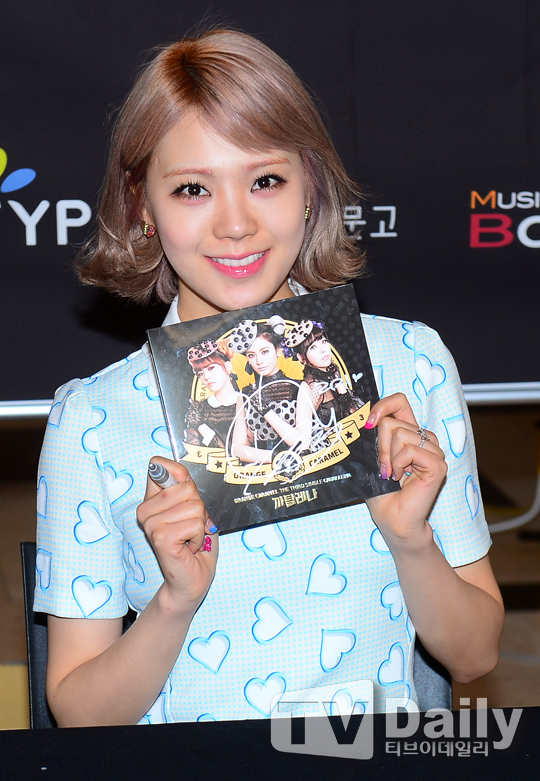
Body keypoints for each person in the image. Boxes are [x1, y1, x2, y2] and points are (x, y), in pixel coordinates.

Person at [34, 28, 503, 727]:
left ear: (309, 187)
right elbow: (78, 715)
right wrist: (174, 601)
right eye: (192, 188)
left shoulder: (409, 364)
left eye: (265, 180)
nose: (235, 224)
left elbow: (476, 656)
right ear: (142, 207)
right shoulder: (93, 421)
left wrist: (412, 541)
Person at [284, 318, 363, 452]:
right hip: (332, 450)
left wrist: (339, 384)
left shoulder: (331, 371)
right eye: (313, 347)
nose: (323, 350)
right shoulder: (314, 386)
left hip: (351, 439)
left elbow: (351, 409)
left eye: (324, 342)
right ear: (302, 358)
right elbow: (304, 433)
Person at [229, 316, 300, 464]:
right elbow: (237, 449)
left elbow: (303, 442)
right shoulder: (245, 394)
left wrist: (265, 410)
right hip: (262, 469)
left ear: (278, 350)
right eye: (251, 355)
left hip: (301, 464)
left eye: (265, 352)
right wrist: (276, 458)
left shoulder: (298, 387)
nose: (259, 361)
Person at [184, 340, 238, 449]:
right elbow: (193, 451)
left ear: (227, 366)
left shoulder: (249, 401)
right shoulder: (199, 411)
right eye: (200, 373)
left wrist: (208, 434)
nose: (206, 377)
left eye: (211, 368)